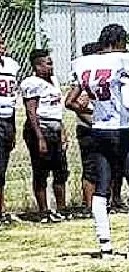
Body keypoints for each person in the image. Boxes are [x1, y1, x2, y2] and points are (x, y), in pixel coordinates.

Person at [66, 23, 129, 259]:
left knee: (101, 186)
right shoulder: (123, 60)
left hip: (98, 128)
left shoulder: (83, 63)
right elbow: (127, 99)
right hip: (119, 129)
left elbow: (76, 95)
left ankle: (105, 247)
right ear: (117, 42)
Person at [21, 49, 69, 223]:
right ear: (37, 66)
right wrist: (39, 137)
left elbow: (57, 109)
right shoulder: (31, 83)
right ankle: (43, 210)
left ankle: (61, 208)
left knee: (60, 170)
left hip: (55, 127)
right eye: (47, 63)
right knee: (41, 171)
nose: (51, 67)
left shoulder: (54, 81)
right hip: (41, 129)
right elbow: (31, 111)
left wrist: (62, 130)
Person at [69, 41, 99, 216]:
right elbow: (76, 106)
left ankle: (106, 201)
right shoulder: (82, 78)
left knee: (105, 166)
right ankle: (89, 205)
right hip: (88, 129)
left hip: (102, 127)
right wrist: (93, 121)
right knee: (90, 167)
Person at [0, 33, 19, 224]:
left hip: (7, 118)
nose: (2, 45)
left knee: (2, 166)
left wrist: (12, 127)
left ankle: (2, 208)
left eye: (2, 40)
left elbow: (12, 99)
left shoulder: (11, 65)